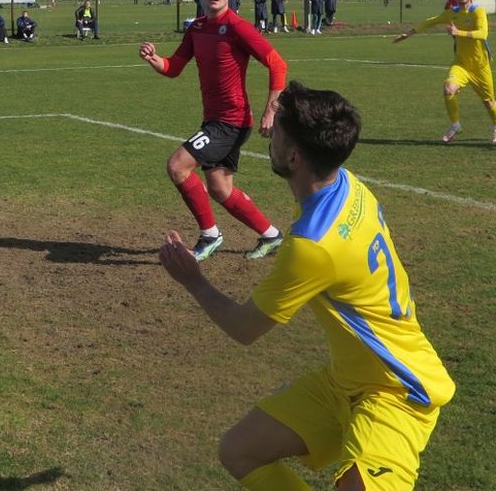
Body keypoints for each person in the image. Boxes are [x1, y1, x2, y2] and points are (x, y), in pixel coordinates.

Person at [158, 82, 455, 490]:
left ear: (294, 156)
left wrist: (193, 280)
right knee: (239, 451)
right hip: (344, 382)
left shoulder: (313, 246)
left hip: (396, 390)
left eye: (277, 129)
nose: (268, 134)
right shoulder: (348, 185)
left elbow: (245, 328)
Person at [138, 0, 288, 261]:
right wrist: (156, 61)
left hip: (230, 122)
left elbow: (277, 64)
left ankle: (210, 235)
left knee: (178, 166)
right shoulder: (197, 29)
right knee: (219, 188)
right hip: (216, 120)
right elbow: (175, 66)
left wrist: (271, 110)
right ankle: (271, 235)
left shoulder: (237, 28)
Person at [393, 0, 496, 145]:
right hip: (461, 65)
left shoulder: (478, 11)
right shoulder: (453, 12)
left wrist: (458, 32)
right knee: (448, 88)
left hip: (480, 67)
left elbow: (483, 33)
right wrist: (409, 33)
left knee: (489, 102)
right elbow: (431, 21)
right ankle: (455, 124)